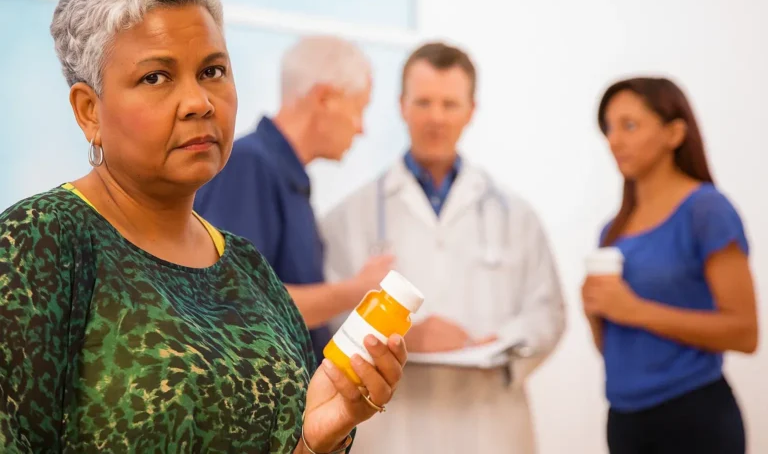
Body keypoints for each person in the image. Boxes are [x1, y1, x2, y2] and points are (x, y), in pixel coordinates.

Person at [0, 0, 407, 453]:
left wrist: (321, 433)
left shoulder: (249, 270)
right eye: (156, 77)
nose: (198, 102)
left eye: (213, 71)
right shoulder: (40, 244)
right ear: (89, 112)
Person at [320, 42, 566, 453]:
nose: (436, 117)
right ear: (401, 106)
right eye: (424, 102)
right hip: (394, 427)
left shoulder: (516, 216)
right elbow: (334, 319)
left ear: (471, 110)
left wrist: (494, 342)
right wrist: (404, 337)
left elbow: (548, 313)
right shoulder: (349, 215)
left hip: (489, 425)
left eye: (450, 104)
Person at [582, 77, 758, 454]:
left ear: (674, 133)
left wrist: (635, 310)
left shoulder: (706, 211)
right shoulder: (612, 231)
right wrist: (596, 312)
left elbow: (745, 333)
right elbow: (618, 348)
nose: (615, 140)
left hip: (693, 417)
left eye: (629, 126)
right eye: (609, 128)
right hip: (625, 420)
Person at [194, 36, 394, 364]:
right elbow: (236, 304)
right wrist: (357, 289)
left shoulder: (289, 180)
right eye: (360, 108)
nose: (361, 129)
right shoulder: (249, 166)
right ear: (326, 98)